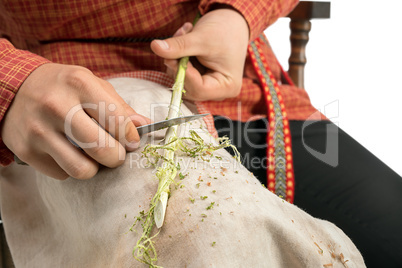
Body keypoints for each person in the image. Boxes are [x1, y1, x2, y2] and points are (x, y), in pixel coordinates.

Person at [0, 0, 400, 267]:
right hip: (82, 93)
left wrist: (237, 15)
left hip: (245, 86)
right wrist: (10, 83)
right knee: (207, 235)